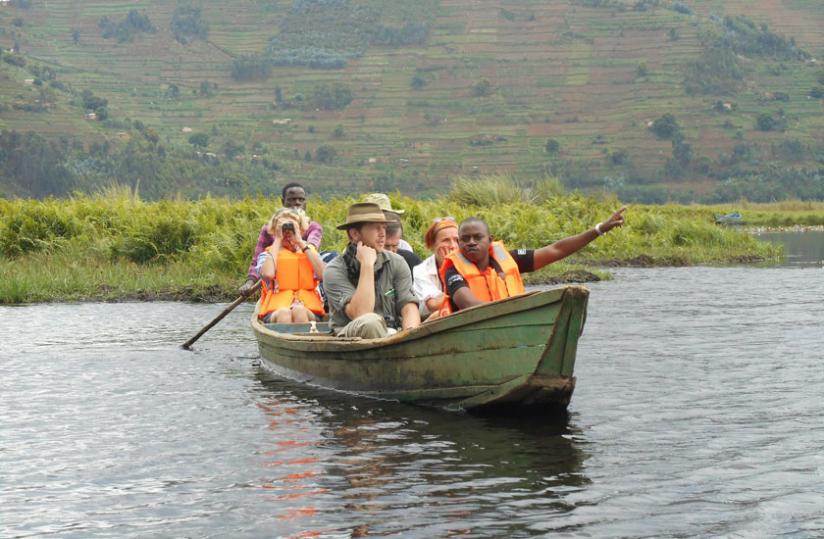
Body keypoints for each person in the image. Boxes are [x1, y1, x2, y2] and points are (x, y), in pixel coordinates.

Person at [439, 208, 627, 314]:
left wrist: (599, 230)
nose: (470, 243)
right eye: (465, 239)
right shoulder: (453, 270)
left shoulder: (509, 258)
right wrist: (518, 311)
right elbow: (468, 304)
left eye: (477, 237)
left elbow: (555, 250)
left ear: (490, 240)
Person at [323, 202, 421, 338]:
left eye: (384, 228)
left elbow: (409, 307)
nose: (382, 234)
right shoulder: (334, 270)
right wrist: (367, 265)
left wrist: (409, 337)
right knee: (371, 323)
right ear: (355, 234)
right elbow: (361, 313)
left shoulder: (397, 262)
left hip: (392, 335)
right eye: (376, 228)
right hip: (351, 340)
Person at [240, 182, 324, 296]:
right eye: (292, 199)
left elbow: (312, 247)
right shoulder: (270, 229)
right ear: (283, 201)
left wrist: (298, 240)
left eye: (301, 199)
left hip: (305, 282)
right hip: (277, 283)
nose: (297, 203)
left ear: (305, 203)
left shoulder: (313, 227)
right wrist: (249, 282)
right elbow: (257, 259)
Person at [256, 208, 326, 323]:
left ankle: (301, 339)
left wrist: (299, 241)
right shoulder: (268, 254)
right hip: (276, 311)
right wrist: (278, 239)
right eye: (283, 228)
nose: (287, 231)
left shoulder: (310, 252)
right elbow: (268, 274)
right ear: (274, 231)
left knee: (299, 311)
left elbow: (324, 275)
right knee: (284, 313)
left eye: (292, 227)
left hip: (308, 310)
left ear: (301, 229)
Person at [412, 217, 459, 320]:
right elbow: (433, 305)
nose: (453, 246)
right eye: (446, 240)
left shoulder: (467, 263)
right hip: (429, 321)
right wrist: (449, 266)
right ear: (433, 245)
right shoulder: (421, 270)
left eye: (456, 240)